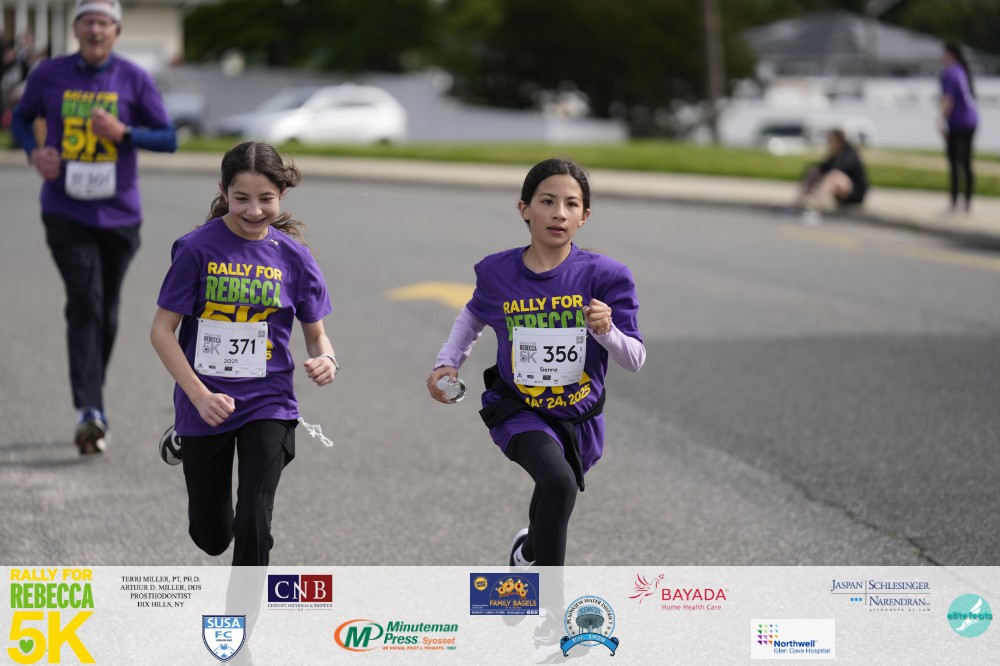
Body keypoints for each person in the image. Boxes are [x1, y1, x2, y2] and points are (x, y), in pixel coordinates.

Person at [426, 158, 645, 568]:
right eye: (547, 201)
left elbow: (634, 359)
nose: (559, 213)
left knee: (553, 491)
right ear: (524, 208)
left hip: (580, 416)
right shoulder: (498, 271)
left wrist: (606, 330)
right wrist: (447, 362)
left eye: (571, 204)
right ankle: (549, 601)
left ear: (584, 216)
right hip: (519, 407)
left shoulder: (607, 276)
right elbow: (473, 314)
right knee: (558, 483)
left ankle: (526, 555)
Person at [150, 140, 338, 566]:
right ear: (223, 191)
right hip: (206, 401)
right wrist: (199, 397)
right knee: (212, 537)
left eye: (266, 199)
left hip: (269, 401)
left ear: (281, 194)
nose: (254, 211)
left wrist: (328, 359)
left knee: (254, 514)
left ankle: (245, 609)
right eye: (241, 199)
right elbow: (161, 331)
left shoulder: (296, 258)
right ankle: (182, 436)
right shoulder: (196, 249)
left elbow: (317, 336)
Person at [10, 0, 177, 454]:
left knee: (107, 308)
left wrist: (124, 133)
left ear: (116, 31)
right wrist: (34, 153)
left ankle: (92, 400)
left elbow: (169, 138)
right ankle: (90, 409)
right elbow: (21, 119)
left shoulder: (133, 78)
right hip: (65, 212)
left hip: (120, 215)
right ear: (76, 28)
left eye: (104, 23)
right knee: (86, 300)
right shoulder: (49, 74)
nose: (95, 30)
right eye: (87, 22)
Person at [792, 129, 868, 226]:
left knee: (834, 176)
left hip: (855, 194)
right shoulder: (835, 155)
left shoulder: (850, 154)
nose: (828, 144)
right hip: (841, 191)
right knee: (813, 172)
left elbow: (838, 168)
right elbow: (822, 168)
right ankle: (795, 206)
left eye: (830, 141)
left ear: (838, 141)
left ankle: (815, 209)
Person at [939, 41, 979, 215]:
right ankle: (968, 201)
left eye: (944, 53)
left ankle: (954, 202)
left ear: (951, 55)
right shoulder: (963, 71)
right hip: (972, 121)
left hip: (958, 123)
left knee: (954, 162)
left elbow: (948, 99)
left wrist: (941, 120)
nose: (941, 56)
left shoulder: (950, 73)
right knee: (966, 161)